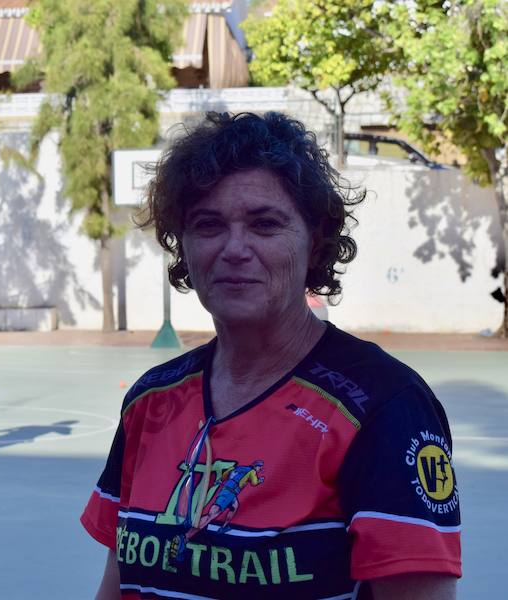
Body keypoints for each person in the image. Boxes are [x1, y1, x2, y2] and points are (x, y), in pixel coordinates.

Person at [81, 113, 461, 599]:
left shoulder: (384, 406)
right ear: (184, 247)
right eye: (208, 224)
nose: (234, 248)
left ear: (315, 244)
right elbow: (117, 585)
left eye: (265, 224)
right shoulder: (151, 401)